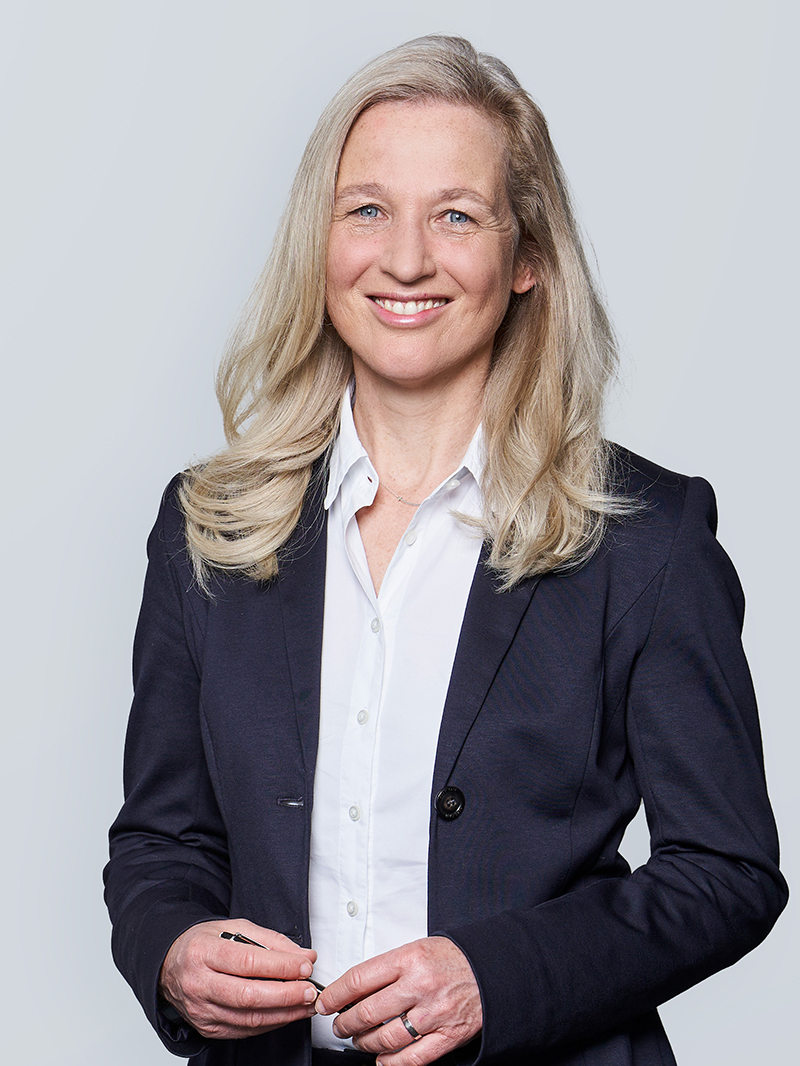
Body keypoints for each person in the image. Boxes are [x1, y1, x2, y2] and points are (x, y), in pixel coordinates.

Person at [104, 34, 787, 1066]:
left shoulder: (647, 537)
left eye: (456, 216)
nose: (406, 259)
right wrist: (172, 951)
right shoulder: (209, 524)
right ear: (318, 243)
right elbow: (161, 841)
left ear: (526, 257)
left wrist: (494, 980)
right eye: (366, 210)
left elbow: (725, 871)